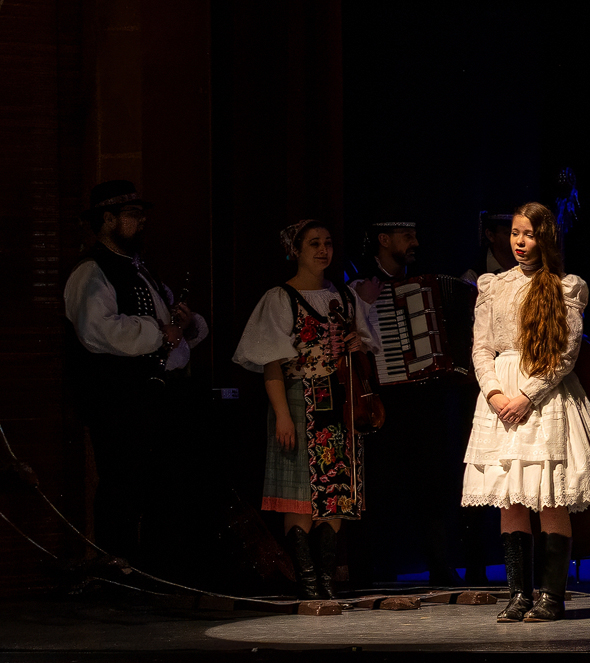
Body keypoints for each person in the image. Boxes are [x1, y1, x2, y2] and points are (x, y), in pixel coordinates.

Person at [462, 202, 590, 622]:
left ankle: (551, 595)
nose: (519, 242)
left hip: (543, 396)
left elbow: (564, 354)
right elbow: (481, 348)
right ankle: (518, 595)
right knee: (510, 499)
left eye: (529, 234)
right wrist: (494, 393)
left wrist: (526, 395)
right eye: (515, 233)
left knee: (549, 497)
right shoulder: (493, 286)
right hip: (499, 398)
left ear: (545, 239)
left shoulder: (566, 287)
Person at [61, 180, 210, 563]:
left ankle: (155, 569)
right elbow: (98, 331)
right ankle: (120, 572)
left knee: (160, 487)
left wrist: (184, 324)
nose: (141, 221)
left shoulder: (139, 268)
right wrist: (160, 332)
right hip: (119, 402)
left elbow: (170, 326)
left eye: (142, 214)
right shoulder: (92, 271)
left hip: (156, 400)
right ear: (107, 219)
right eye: (132, 214)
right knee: (122, 488)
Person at [231, 220, 382, 599]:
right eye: (314, 243)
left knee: (336, 495)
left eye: (327, 243)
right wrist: (282, 414)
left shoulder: (344, 296)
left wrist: (356, 345)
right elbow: (271, 364)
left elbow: (367, 345)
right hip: (301, 402)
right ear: (295, 250)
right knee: (299, 495)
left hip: (342, 402)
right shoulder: (281, 298)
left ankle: (326, 584)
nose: (323, 250)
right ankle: (308, 584)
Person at [344, 214, 478, 587]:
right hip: (385, 399)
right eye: (406, 236)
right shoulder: (359, 286)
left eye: (415, 235)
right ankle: (376, 567)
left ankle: (440, 564)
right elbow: (356, 340)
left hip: (428, 399)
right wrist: (365, 306)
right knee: (382, 485)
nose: (415, 242)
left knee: (435, 483)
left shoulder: (426, 281)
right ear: (383, 240)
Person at [464, 211, 516, 286]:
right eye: (508, 233)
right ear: (490, 235)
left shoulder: (530, 269)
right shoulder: (474, 277)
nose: (518, 239)